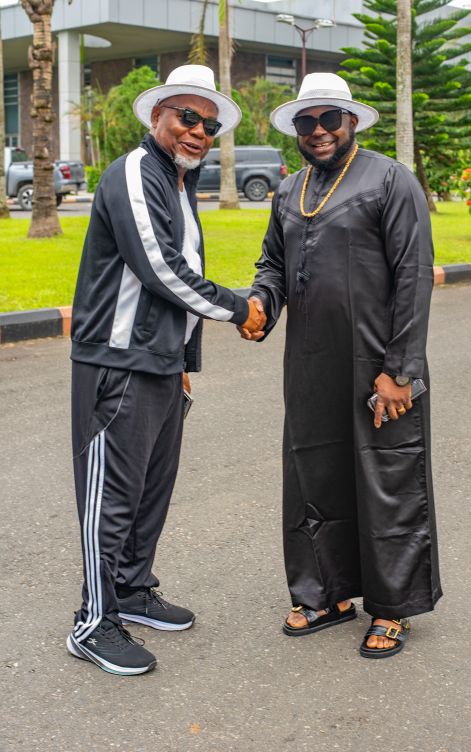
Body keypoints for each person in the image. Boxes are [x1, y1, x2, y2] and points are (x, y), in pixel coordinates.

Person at [67, 64, 266, 676]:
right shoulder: (135, 171)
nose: (199, 131)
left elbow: (179, 274)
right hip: (118, 363)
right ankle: (93, 622)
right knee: (112, 498)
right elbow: (160, 269)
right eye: (187, 117)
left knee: (150, 492)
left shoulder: (179, 181)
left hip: (159, 364)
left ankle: (131, 589)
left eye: (209, 124)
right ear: (157, 116)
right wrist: (241, 308)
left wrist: (182, 361)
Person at [239, 72, 442, 659]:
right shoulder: (289, 190)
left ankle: (393, 607)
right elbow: (273, 264)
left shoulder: (390, 179)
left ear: (351, 121)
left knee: (387, 479)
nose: (319, 130)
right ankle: (325, 594)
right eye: (307, 121)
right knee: (315, 476)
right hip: (309, 364)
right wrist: (260, 303)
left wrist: (400, 370)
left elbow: (414, 275)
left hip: (378, 363)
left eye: (330, 118)